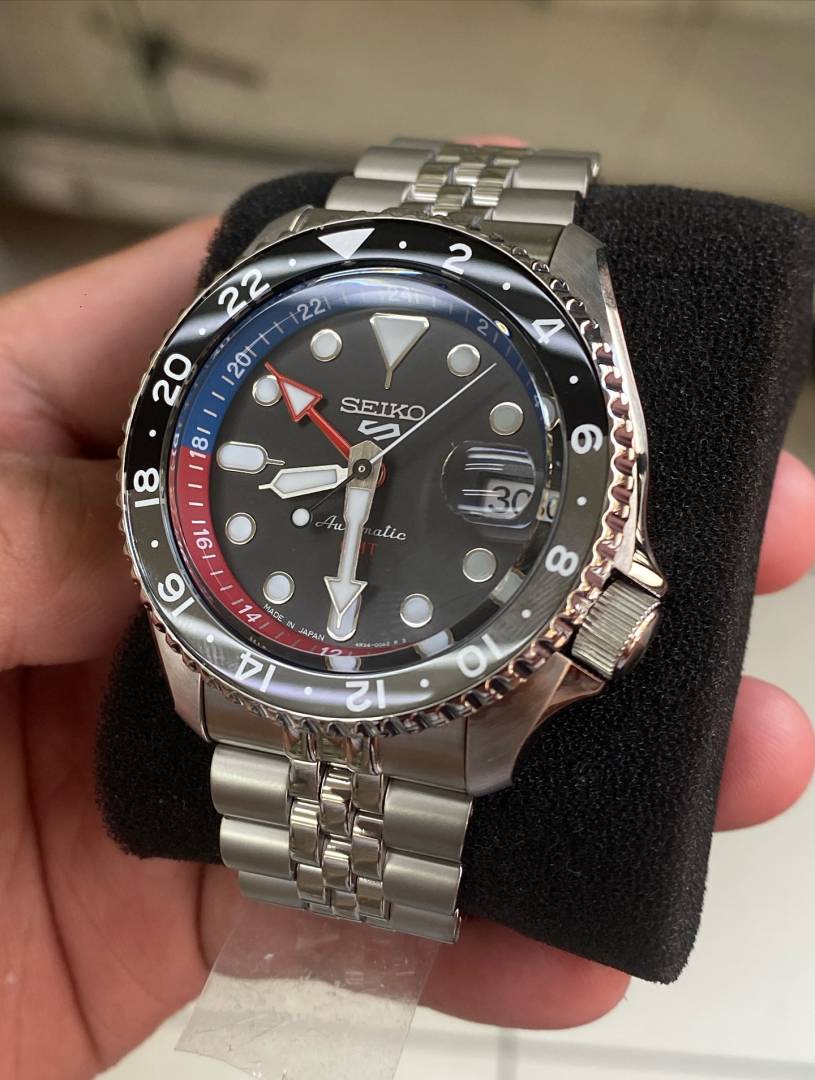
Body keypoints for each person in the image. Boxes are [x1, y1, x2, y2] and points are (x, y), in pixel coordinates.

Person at [0, 215, 813, 1079]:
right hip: (231, 656)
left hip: (438, 686)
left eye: (370, 464)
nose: (365, 467)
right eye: (360, 461)